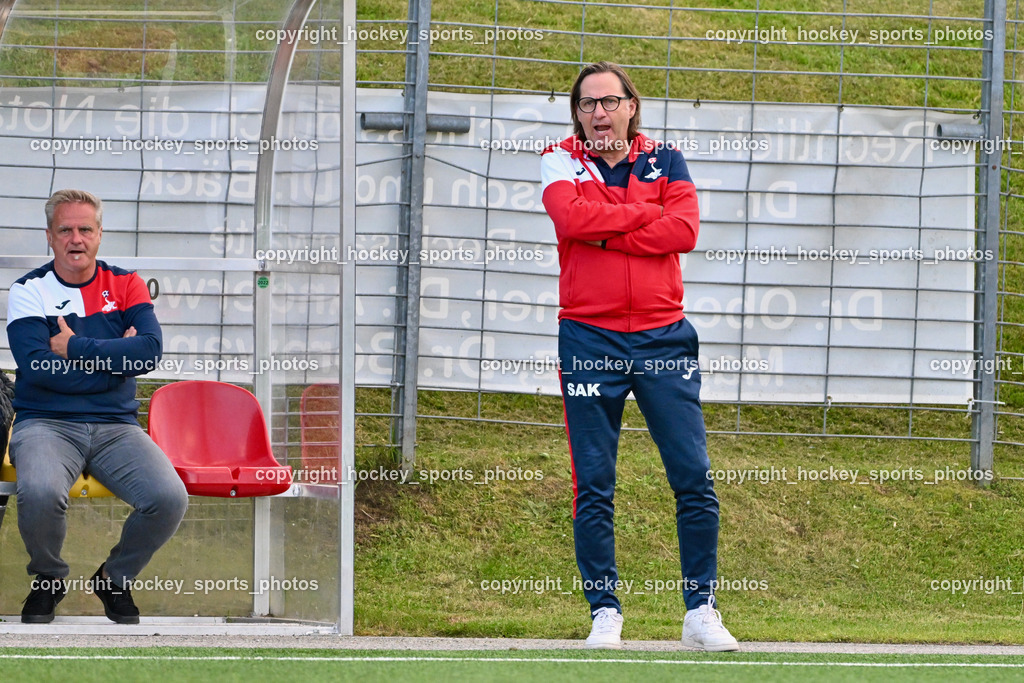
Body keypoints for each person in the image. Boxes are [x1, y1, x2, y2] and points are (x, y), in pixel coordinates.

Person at [541, 62, 739, 651]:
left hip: (663, 336)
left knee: (693, 477)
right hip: (588, 338)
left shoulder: (666, 159)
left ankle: (700, 610)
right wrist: (643, 214)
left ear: (631, 104)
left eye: (608, 102)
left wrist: (602, 227)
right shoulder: (559, 158)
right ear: (576, 114)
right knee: (594, 484)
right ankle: (605, 610)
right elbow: (569, 217)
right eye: (586, 105)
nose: (597, 113)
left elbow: (683, 232)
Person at [6, 189, 188, 624]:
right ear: (49, 236)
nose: (76, 239)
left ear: (100, 234)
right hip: (45, 422)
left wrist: (76, 346)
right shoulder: (28, 289)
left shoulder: (127, 283)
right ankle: (48, 579)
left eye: (85, 229)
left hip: (115, 426)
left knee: (168, 498)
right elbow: (39, 368)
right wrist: (113, 366)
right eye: (65, 229)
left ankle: (113, 577)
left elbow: (148, 354)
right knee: (42, 492)